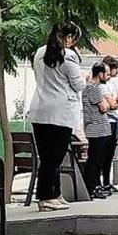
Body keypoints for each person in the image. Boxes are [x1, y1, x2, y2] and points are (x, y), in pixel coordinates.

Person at [29, 23, 85, 212]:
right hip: (60, 111)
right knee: (54, 157)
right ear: (68, 38)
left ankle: (55, 193)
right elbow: (78, 85)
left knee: (47, 155)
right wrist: (83, 75)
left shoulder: (38, 52)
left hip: (39, 109)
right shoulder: (68, 56)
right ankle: (45, 196)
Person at [82, 63, 114, 199]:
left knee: (97, 159)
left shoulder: (91, 88)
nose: (108, 76)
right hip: (97, 129)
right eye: (106, 73)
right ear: (100, 74)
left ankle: (95, 185)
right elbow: (104, 107)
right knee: (95, 159)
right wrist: (106, 104)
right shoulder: (93, 88)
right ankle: (92, 186)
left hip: (98, 128)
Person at [100, 56, 118, 193]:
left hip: (115, 119)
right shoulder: (102, 85)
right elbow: (112, 104)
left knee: (110, 154)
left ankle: (107, 182)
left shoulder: (115, 83)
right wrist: (116, 102)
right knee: (104, 153)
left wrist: (117, 102)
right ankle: (102, 182)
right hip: (107, 120)